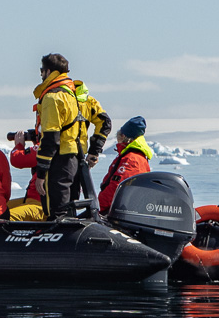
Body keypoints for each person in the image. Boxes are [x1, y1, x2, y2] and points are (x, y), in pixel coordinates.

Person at [31, 53, 90, 217]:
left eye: (42, 71)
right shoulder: (71, 94)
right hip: (72, 158)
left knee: (56, 210)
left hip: (59, 159)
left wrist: (41, 173)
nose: (41, 75)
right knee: (69, 207)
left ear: (49, 72)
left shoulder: (52, 97)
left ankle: (57, 229)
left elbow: (51, 137)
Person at [72, 80, 114, 208]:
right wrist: (94, 152)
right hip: (74, 156)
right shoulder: (87, 101)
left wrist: (94, 151)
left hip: (66, 156)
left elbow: (105, 123)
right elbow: (105, 122)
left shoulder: (55, 97)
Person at [97, 116, 153, 212]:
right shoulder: (131, 156)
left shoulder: (131, 159)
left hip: (120, 209)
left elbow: (116, 188)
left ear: (124, 136)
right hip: (122, 208)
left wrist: (98, 207)